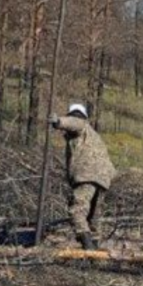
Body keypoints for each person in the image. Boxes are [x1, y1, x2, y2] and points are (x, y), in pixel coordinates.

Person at [48, 102, 116, 250]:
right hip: (104, 178)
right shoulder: (93, 134)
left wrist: (58, 121)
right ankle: (96, 253)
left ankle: (88, 249)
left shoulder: (81, 124)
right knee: (93, 218)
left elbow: (75, 123)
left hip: (87, 175)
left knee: (77, 211)